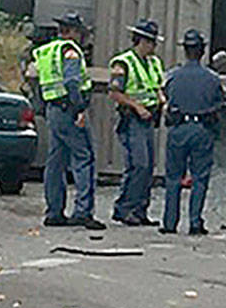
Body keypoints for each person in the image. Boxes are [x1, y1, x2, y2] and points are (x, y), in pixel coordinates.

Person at [27, 12, 105, 230]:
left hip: (54, 110)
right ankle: (83, 211)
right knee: (84, 157)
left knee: (56, 162)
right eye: (79, 32)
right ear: (72, 31)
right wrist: (79, 108)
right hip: (69, 110)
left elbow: (36, 80)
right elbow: (72, 82)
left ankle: (54, 211)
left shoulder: (46, 51)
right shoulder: (70, 52)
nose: (81, 37)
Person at [162, 29, 225, 236]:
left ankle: (170, 222)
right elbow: (219, 105)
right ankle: (195, 222)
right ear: (202, 51)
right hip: (201, 130)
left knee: (173, 178)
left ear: (185, 50)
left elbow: (165, 98)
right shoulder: (212, 78)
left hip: (178, 129)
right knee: (199, 177)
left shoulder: (173, 76)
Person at [109, 19, 165, 226]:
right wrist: (136, 106)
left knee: (148, 166)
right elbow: (115, 93)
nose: (154, 47)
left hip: (149, 119)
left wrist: (161, 100)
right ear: (141, 41)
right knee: (138, 165)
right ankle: (124, 208)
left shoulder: (153, 62)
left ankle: (140, 210)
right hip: (132, 119)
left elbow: (157, 85)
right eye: (151, 42)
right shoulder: (122, 63)